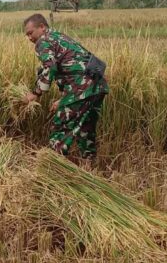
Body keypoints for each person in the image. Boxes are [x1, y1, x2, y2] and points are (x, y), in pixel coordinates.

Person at [21, 13, 108, 161]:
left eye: (31, 33)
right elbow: (72, 67)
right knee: (85, 128)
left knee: (61, 128)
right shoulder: (59, 37)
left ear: (42, 27)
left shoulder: (43, 41)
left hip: (81, 88)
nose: (29, 38)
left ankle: (50, 168)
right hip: (97, 86)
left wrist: (36, 93)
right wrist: (63, 99)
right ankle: (89, 166)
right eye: (26, 35)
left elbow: (50, 67)